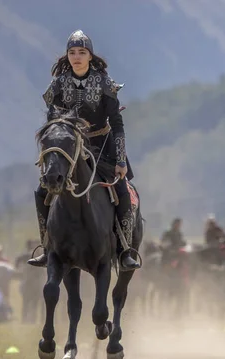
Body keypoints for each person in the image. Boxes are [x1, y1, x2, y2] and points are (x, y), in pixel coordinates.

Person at [27, 30, 139, 271]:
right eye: (72, 52)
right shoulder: (57, 85)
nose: (76, 57)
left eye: (82, 52)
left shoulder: (105, 84)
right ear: (66, 56)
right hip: (68, 150)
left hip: (101, 148)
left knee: (122, 189)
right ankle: (47, 247)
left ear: (90, 55)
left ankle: (124, 250)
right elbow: (52, 125)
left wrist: (121, 160)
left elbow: (117, 125)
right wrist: (49, 157)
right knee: (41, 191)